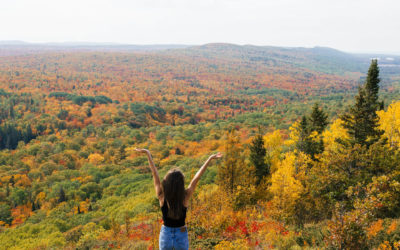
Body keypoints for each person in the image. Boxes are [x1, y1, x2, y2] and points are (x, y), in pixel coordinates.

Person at [135, 148, 222, 250]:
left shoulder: (162, 196)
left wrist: (148, 153)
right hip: (181, 233)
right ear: (181, 184)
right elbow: (196, 178)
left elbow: (154, 173)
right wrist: (210, 158)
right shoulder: (185, 196)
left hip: (166, 234)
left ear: (166, 183)